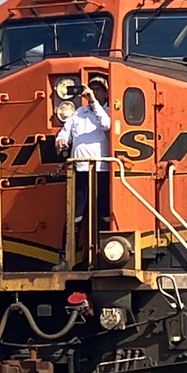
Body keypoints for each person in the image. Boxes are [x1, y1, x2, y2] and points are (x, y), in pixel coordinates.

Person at [53, 83, 114, 258]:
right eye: (91, 89)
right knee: (75, 213)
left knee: (104, 213)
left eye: (98, 90)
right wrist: (61, 139)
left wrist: (94, 102)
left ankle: (108, 253)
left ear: (105, 93)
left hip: (101, 170)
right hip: (79, 170)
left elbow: (106, 125)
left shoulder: (109, 110)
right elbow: (65, 132)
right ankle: (67, 254)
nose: (93, 93)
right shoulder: (78, 113)